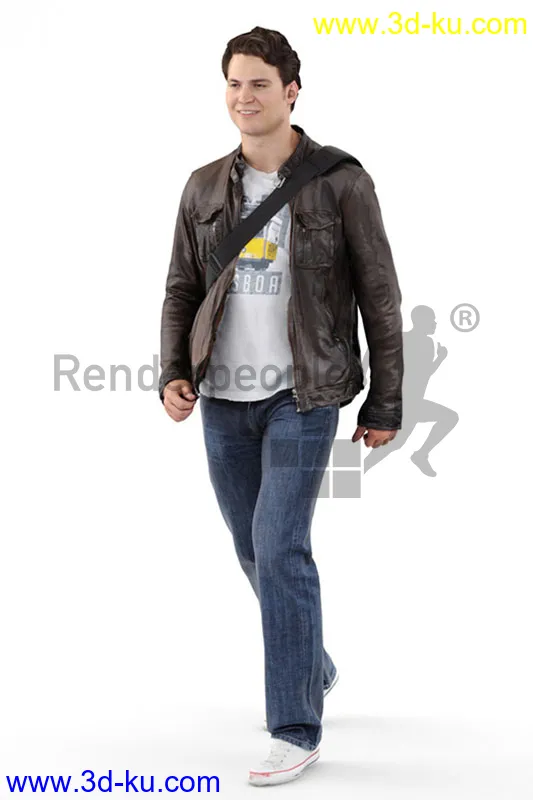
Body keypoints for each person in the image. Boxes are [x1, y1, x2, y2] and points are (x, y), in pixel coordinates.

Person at [159, 25, 404, 787]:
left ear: (291, 91)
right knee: (251, 549)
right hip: (222, 398)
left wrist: (386, 400)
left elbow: (380, 296)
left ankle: (295, 726)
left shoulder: (339, 180)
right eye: (234, 83)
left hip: (304, 394)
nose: (244, 97)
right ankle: (311, 664)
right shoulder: (204, 186)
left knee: (280, 544)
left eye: (259, 83)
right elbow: (181, 287)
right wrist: (173, 371)